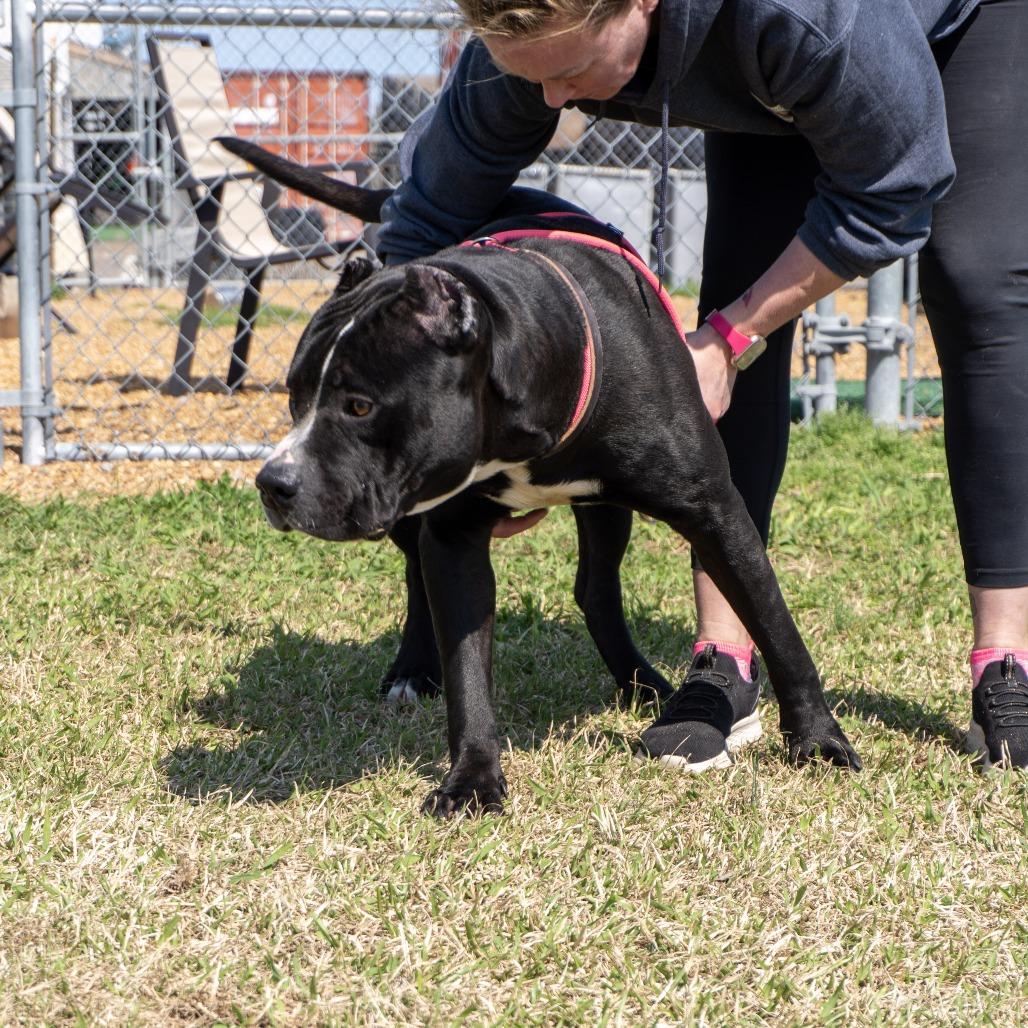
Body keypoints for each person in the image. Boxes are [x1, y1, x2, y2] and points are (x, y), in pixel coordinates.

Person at [375, 0, 1028, 771]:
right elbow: (422, 226)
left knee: (979, 285)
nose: (552, 101)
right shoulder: (527, 49)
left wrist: (729, 337)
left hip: (956, 22)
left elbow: (898, 188)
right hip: (763, 69)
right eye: (532, 78)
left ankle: (1008, 663)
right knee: (732, 290)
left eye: (571, 72)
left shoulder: (797, 14)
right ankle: (723, 657)